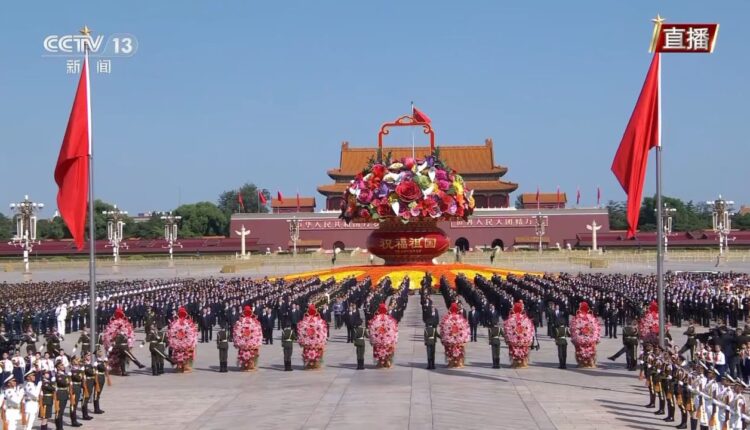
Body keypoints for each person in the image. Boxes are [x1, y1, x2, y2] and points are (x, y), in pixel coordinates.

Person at [54, 360, 71, 430]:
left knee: (61, 412)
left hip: (64, 393)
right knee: (59, 412)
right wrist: (69, 379)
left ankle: (59, 427)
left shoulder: (64, 374)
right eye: (61, 365)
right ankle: (59, 428)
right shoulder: (58, 375)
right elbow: (64, 383)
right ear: (58, 367)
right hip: (60, 394)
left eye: (63, 365)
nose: (63, 366)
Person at [93, 350, 108, 414]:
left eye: (101, 352)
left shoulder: (102, 361)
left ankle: (98, 408)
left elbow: (106, 368)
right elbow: (95, 371)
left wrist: (106, 363)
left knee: (99, 393)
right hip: (98, 377)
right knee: (96, 393)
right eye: (99, 352)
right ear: (96, 354)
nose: (101, 353)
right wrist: (96, 381)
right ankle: (96, 409)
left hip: (102, 377)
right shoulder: (96, 362)